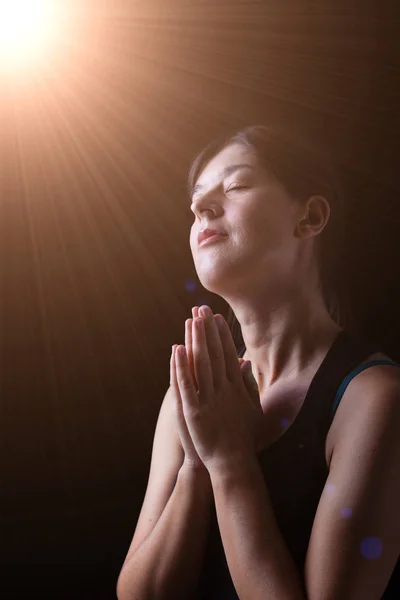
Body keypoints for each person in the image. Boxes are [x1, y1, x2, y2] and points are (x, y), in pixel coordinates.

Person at [116, 125, 400, 600]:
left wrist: (229, 462)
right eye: (196, 201)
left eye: (236, 186)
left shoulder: (374, 399)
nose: (202, 208)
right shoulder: (192, 395)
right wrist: (196, 468)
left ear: (309, 217)